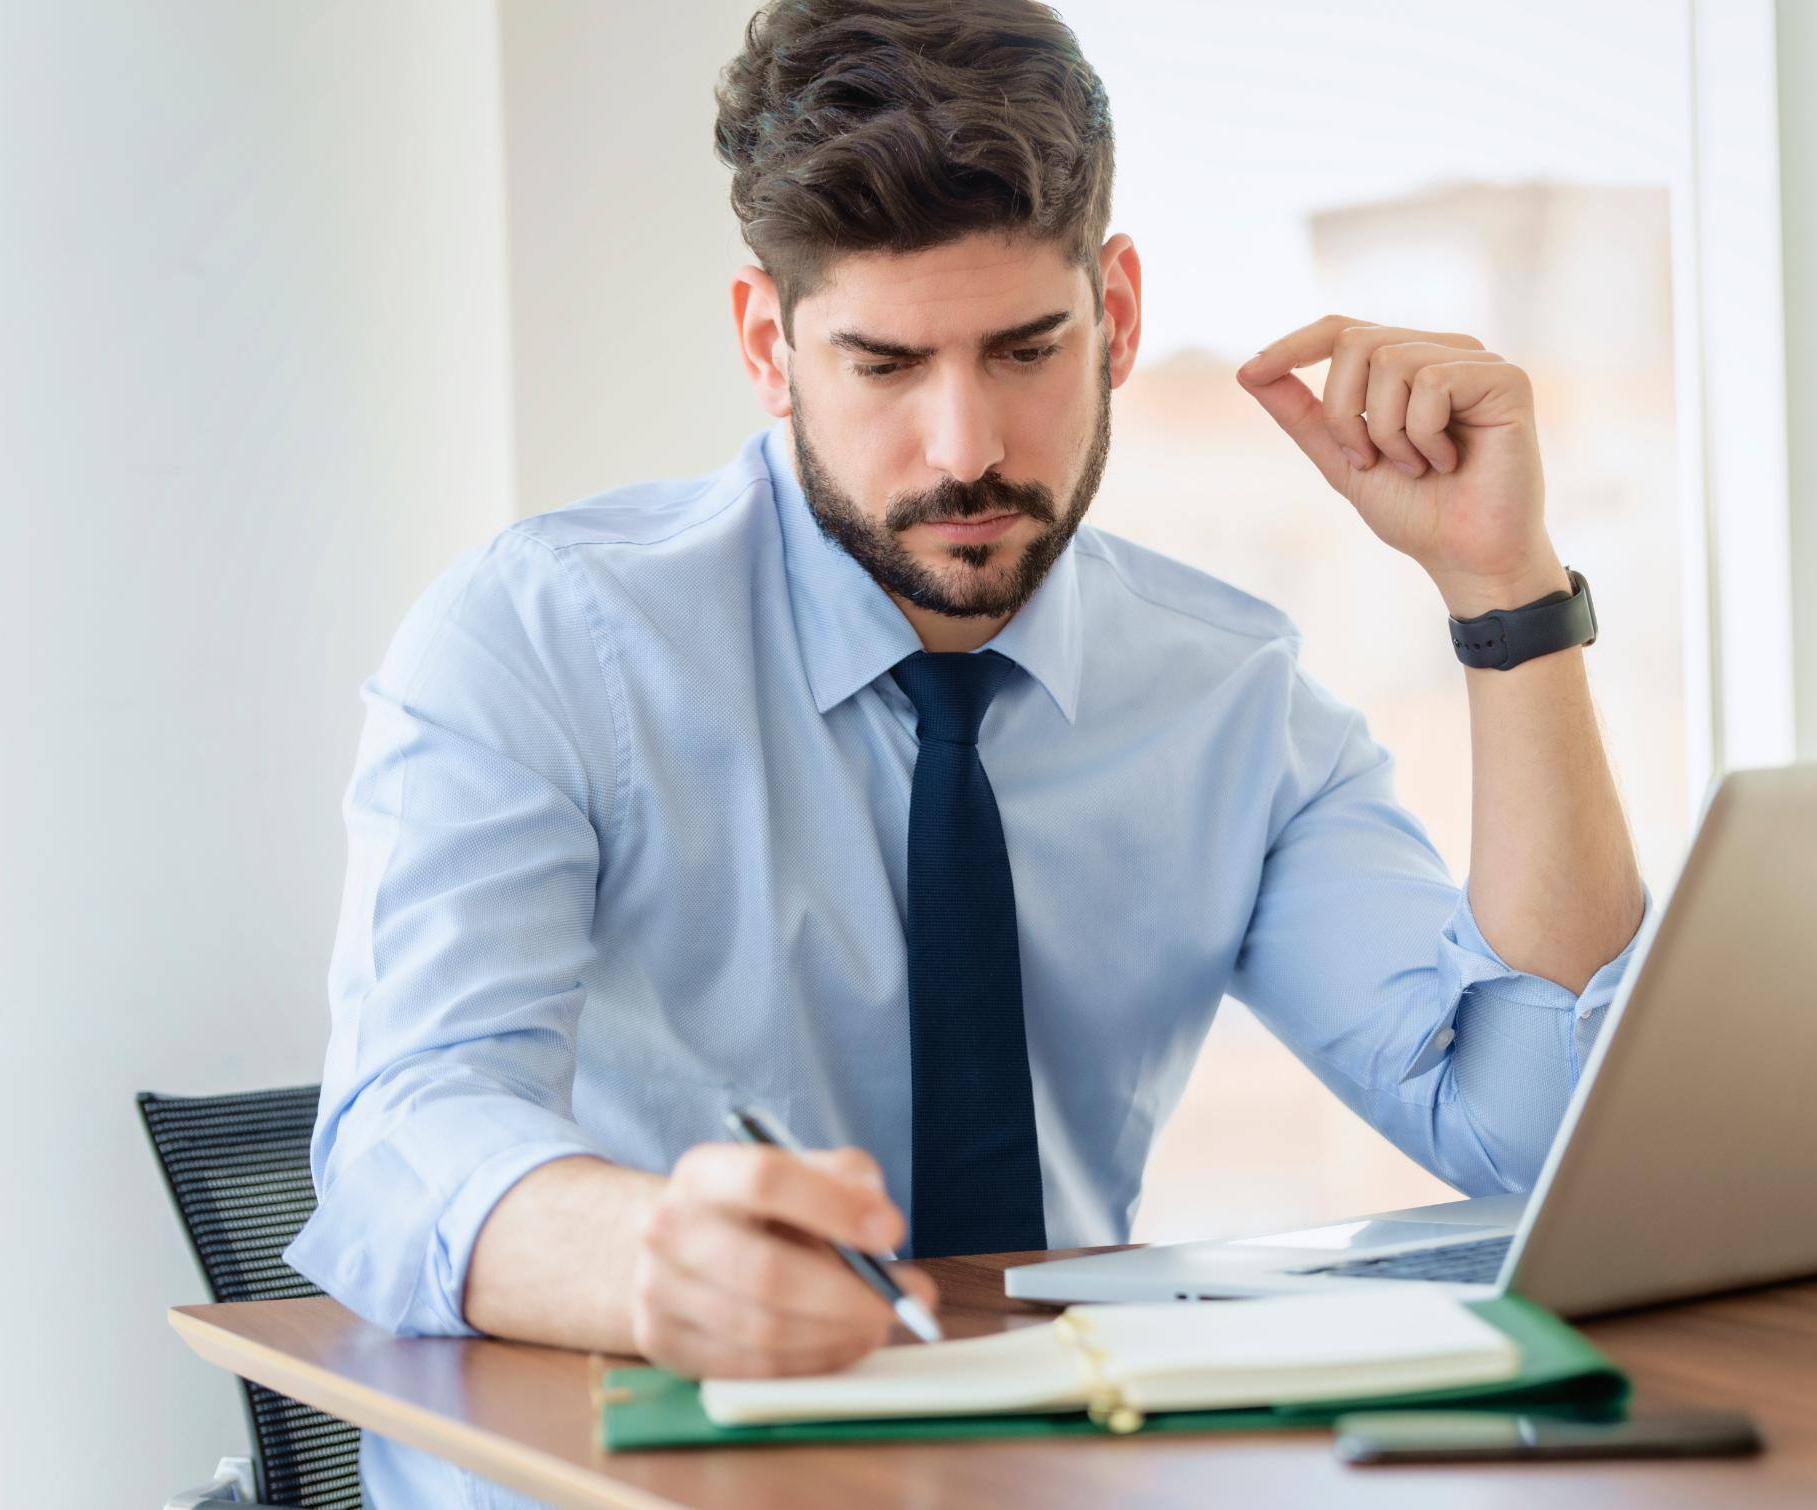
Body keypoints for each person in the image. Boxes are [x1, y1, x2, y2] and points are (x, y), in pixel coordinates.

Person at [285, 0, 1649, 1501]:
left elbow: (1530, 1132)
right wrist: (650, 1261)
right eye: (882, 365)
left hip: (1039, 1471)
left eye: (1026, 349)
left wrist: (1505, 600)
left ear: (1117, 314)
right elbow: (398, 1136)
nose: (966, 449)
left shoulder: (1227, 696)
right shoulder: (543, 638)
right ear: (767, 343)